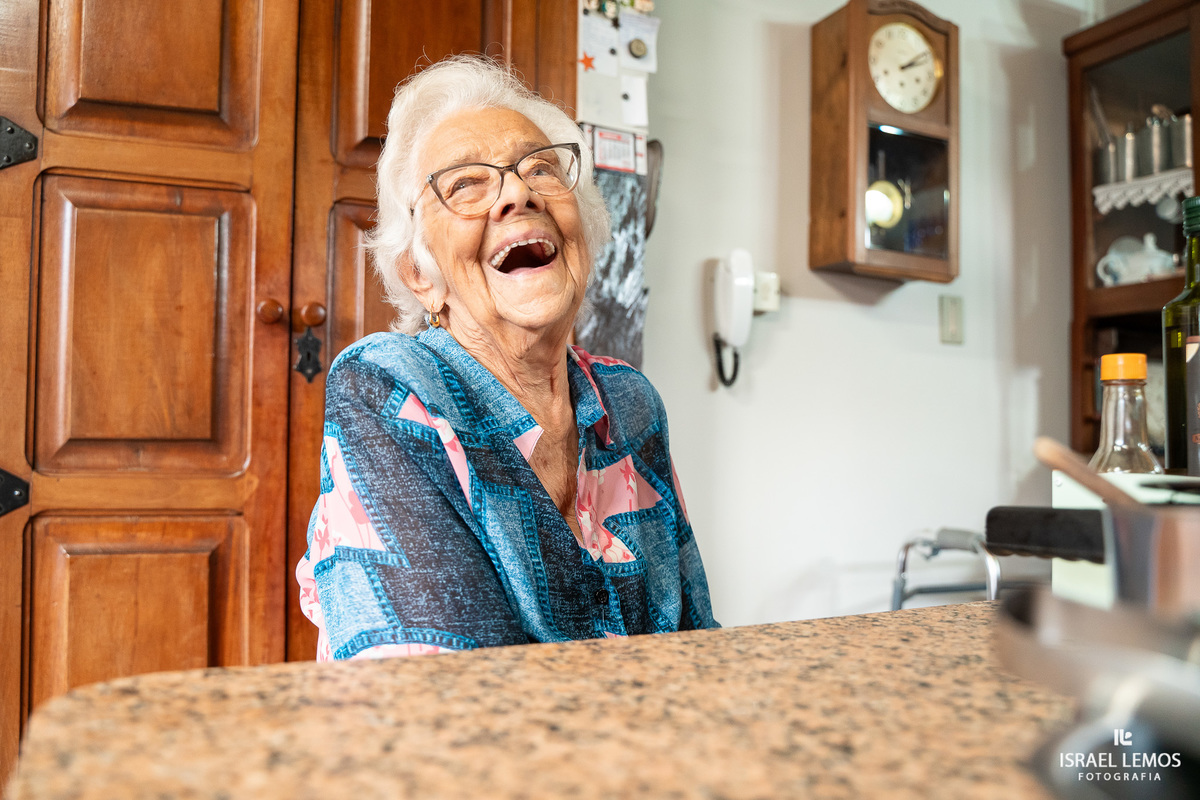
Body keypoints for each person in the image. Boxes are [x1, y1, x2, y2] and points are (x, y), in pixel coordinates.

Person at [296, 55, 717, 661]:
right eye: (466, 183)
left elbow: (702, 644)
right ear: (421, 275)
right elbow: (444, 703)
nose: (518, 193)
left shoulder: (628, 403)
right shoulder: (391, 389)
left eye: (541, 169)